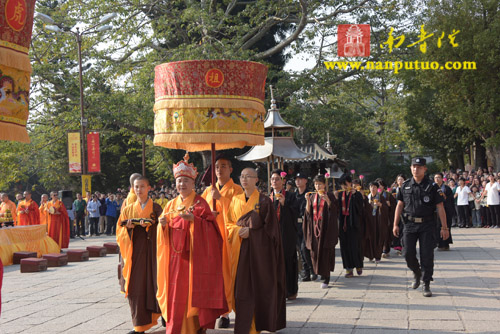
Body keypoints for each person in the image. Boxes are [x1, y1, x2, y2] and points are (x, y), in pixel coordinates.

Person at [157, 154, 227, 334]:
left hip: (194, 261)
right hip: (174, 259)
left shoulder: (200, 203)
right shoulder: (170, 204)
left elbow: (212, 230)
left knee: (190, 296)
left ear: (193, 183)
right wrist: (162, 226)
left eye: (186, 181)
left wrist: (195, 220)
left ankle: (194, 328)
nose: (182, 185)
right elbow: (162, 229)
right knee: (175, 296)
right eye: (179, 181)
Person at [225, 167, 286, 334]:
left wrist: (252, 233)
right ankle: (245, 325)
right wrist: (239, 231)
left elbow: (272, 232)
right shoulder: (235, 200)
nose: (244, 180)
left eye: (249, 177)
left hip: (259, 255)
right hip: (239, 252)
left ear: (256, 180)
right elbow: (228, 225)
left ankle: (254, 327)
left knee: (257, 290)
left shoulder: (264, 201)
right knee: (241, 291)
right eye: (242, 176)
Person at [393, 157, 449, 297]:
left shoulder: (432, 186)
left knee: (427, 254)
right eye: (413, 166)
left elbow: (440, 207)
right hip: (410, 224)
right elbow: (399, 205)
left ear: (425, 169)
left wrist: (444, 227)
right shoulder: (405, 185)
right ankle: (417, 272)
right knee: (407, 253)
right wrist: (395, 224)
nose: (415, 169)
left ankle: (426, 283)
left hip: (427, 224)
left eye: (419, 167)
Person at [201, 157, 243, 329]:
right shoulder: (208, 191)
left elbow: (240, 212)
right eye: (217, 167)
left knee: (227, 275)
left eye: (223, 166)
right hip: (211, 239)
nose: (219, 170)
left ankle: (225, 313)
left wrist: (222, 200)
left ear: (231, 169)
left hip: (227, 239)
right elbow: (199, 210)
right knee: (212, 275)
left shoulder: (237, 189)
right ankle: (213, 310)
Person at [117, 176, 162, 334]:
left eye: (142, 186)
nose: (139, 190)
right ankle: (139, 326)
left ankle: (161, 313)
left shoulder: (156, 208)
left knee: (156, 285)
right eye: (136, 187)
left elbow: (164, 230)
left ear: (149, 188)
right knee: (135, 288)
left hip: (153, 254)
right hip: (134, 255)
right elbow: (119, 232)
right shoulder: (128, 209)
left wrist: (152, 226)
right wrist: (128, 229)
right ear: (133, 188)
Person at [303, 174, 339, 289]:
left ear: (325, 185)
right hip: (314, 227)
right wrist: (308, 201)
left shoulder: (330, 195)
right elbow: (308, 213)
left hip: (326, 228)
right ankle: (318, 272)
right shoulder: (312, 196)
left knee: (325, 252)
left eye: (320, 184)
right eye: (316, 184)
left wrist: (328, 201)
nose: (318, 186)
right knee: (315, 252)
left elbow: (334, 211)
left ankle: (326, 277)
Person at [270, 169, 298, 300]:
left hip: (287, 234)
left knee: (288, 262)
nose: (274, 181)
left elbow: (296, 214)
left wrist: (284, 204)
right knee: (273, 263)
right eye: (272, 179)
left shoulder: (291, 196)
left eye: (277, 179)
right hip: (271, 236)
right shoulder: (267, 198)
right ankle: (276, 291)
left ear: (283, 181)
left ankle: (290, 290)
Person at [338, 175, 365, 277]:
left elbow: (360, 209)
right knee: (344, 246)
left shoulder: (357, 194)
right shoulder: (340, 195)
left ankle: (358, 265)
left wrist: (355, 196)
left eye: (346, 184)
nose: (344, 187)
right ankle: (348, 269)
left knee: (355, 245)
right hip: (343, 223)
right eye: (342, 185)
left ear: (350, 183)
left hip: (354, 223)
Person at [294, 172, 316, 281]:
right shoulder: (294, 194)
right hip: (296, 225)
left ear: (305, 181)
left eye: (300, 179)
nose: (298, 181)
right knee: (300, 250)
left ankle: (312, 270)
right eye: (296, 179)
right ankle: (306, 273)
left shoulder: (310, 194)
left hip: (307, 225)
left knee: (304, 248)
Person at [363, 181, 389, 264]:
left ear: (377, 188)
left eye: (374, 187)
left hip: (378, 221)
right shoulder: (367, 198)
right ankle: (370, 255)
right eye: (371, 187)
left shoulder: (381, 198)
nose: (373, 189)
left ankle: (377, 256)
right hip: (369, 221)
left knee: (378, 238)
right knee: (369, 238)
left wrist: (381, 205)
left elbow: (387, 209)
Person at [434, 173, 454, 250]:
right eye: (435, 177)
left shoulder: (446, 189)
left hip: (445, 210)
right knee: (437, 227)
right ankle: (438, 243)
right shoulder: (432, 188)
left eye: (438, 177)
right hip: (435, 211)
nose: (437, 179)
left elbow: (450, 200)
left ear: (442, 179)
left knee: (445, 226)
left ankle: (445, 244)